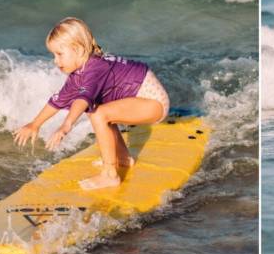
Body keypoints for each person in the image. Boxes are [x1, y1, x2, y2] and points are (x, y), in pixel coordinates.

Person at [13, 17, 170, 190]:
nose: (55, 61)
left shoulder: (95, 69)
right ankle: (123, 158)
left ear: (78, 50)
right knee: (95, 108)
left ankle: (110, 174)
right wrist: (35, 124)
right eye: (53, 55)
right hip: (141, 101)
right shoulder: (79, 74)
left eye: (59, 54)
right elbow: (58, 100)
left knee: (98, 112)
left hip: (154, 103)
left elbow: (82, 99)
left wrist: (66, 126)